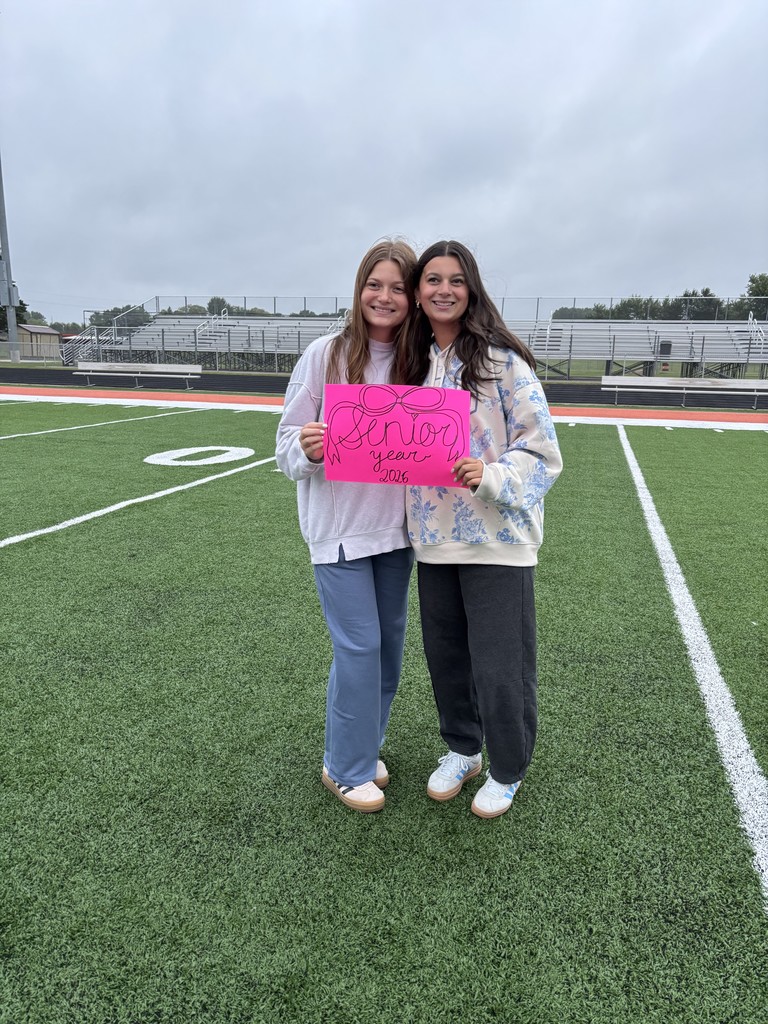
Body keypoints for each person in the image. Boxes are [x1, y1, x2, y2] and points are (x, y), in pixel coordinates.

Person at [400, 240, 562, 819]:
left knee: (500, 666)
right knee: (446, 659)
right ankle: (463, 749)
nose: (444, 290)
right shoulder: (408, 367)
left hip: (499, 539)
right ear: (418, 293)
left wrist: (491, 474)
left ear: (471, 289)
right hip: (434, 538)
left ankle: (507, 767)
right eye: (432, 280)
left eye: (456, 280)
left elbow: (544, 454)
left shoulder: (502, 363)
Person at [275, 239, 417, 813]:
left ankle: (361, 743)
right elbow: (285, 446)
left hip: (398, 533)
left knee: (387, 650)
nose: (384, 297)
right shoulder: (323, 356)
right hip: (338, 531)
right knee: (358, 647)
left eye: (398, 288)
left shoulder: (421, 363)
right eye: (374, 284)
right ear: (358, 290)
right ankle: (344, 766)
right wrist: (308, 449)